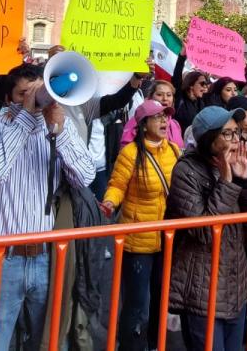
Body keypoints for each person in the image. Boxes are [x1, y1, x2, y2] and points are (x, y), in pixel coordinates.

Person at [0, 64, 95, 351]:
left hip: (45, 257)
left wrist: (60, 131)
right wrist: (26, 116)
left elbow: (86, 176)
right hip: (1, 257)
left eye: (39, 90)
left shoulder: (57, 127)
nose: (37, 97)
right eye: (25, 93)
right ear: (9, 99)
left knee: (46, 340)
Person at [165, 106, 247, 351]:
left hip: (235, 282)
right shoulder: (186, 171)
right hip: (202, 287)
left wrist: (243, 180)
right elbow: (205, 230)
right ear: (209, 138)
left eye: (236, 132)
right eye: (227, 134)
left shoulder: (235, 164)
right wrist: (228, 182)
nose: (236, 139)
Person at [100, 100, 182, 351]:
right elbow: (117, 185)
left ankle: (156, 345)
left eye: (165, 117)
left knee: (161, 299)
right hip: (138, 240)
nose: (163, 122)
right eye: (157, 118)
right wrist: (110, 202)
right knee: (137, 304)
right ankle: (130, 345)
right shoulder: (130, 154)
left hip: (167, 238)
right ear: (143, 124)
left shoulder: (175, 151)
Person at [120, 79, 183, 147]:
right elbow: (126, 147)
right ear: (150, 97)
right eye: (159, 94)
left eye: (169, 95)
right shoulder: (139, 119)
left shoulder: (175, 124)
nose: (165, 98)